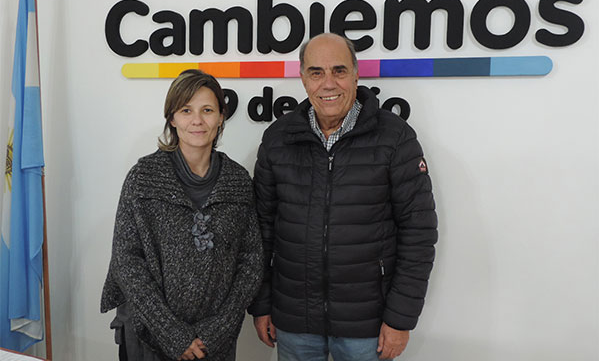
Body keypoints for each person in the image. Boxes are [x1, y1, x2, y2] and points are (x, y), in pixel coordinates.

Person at [249, 33, 438, 361]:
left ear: (356, 74)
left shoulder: (395, 138)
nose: (328, 83)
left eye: (339, 71)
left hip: (368, 325)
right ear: (303, 78)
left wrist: (400, 318)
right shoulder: (278, 139)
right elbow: (260, 232)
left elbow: (418, 233)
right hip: (294, 320)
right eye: (316, 72)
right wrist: (261, 304)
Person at [101, 69, 263, 361]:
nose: (197, 120)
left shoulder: (238, 182)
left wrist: (217, 331)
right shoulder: (143, 178)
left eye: (207, 110)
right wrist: (173, 334)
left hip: (214, 343)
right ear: (172, 118)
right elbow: (126, 261)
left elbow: (251, 262)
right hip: (147, 335)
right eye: (186, 110)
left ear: (221, 117)